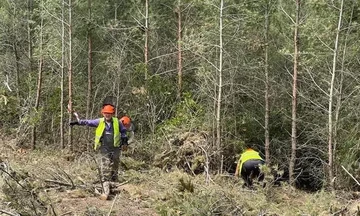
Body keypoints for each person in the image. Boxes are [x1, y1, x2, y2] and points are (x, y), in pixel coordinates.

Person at [70, 104, 128, 199]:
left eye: (109, 113)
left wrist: (125, 140)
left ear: (112, 114)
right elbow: (88, 122)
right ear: (103, 113)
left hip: (116, 147)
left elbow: (123, 131)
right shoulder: (99, 121)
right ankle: (105, 183)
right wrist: (77, 123)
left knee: (115, 163)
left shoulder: (117, 122)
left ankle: (114, 180)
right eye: (105, 113)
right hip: (104, 147)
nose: (107, 115)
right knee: (105, 164)